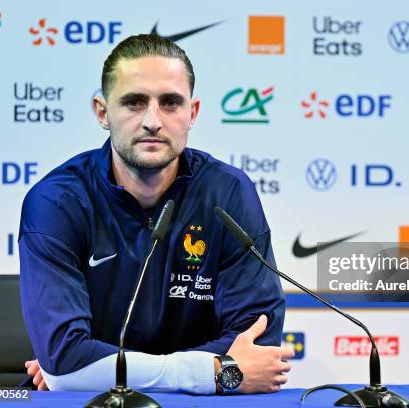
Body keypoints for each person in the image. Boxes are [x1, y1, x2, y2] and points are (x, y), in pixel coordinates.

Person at [19, 34, 292, 394]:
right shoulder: (56, 202)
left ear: (192, 113)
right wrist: (212, 373)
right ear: (102, 112)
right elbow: (65, 358)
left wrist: (95, 371)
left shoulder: (229, 194)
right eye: (133, 103)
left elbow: (257, 341)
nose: (152, 120)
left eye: (170, 103)